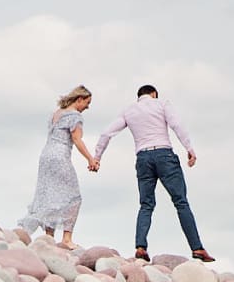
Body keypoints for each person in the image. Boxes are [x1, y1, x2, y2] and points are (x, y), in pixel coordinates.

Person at [93, 84, 216, 262]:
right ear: (154, 94)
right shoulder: (161, 104)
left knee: (146, 204)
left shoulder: (129, 110)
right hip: (164, 154)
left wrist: (97, 157)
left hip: (143, 158)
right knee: (181, 202)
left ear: (139, 96)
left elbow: (106, 133)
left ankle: (140, 246)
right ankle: (197, 248)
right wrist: (189, 148)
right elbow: (177, 125)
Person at [18, 85, 100, 249]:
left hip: (45, 156)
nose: (87, 107)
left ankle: (49, 237)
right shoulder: (75, 116)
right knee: (73, 196)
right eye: (87, 102)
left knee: (50, 194)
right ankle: (67, 239)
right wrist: (91, 159)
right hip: (60, 156)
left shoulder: (56, 114)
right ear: (79, 100)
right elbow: (77, 140)